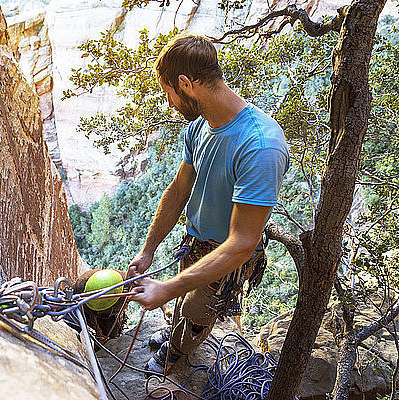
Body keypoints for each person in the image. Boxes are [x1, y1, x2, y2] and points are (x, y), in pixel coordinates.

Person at [127, 34, 289, 375]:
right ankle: (175, 336)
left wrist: (166, 290)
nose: (168, 102)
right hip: (195, 239)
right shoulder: (200, 126)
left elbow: (242, 243)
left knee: (197, 313)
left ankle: (177, 352)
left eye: (168, 92)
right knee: (183, 304)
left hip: (226, 253)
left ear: (186, 84)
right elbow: (178, 189)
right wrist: (147, 250)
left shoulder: (260, 146)